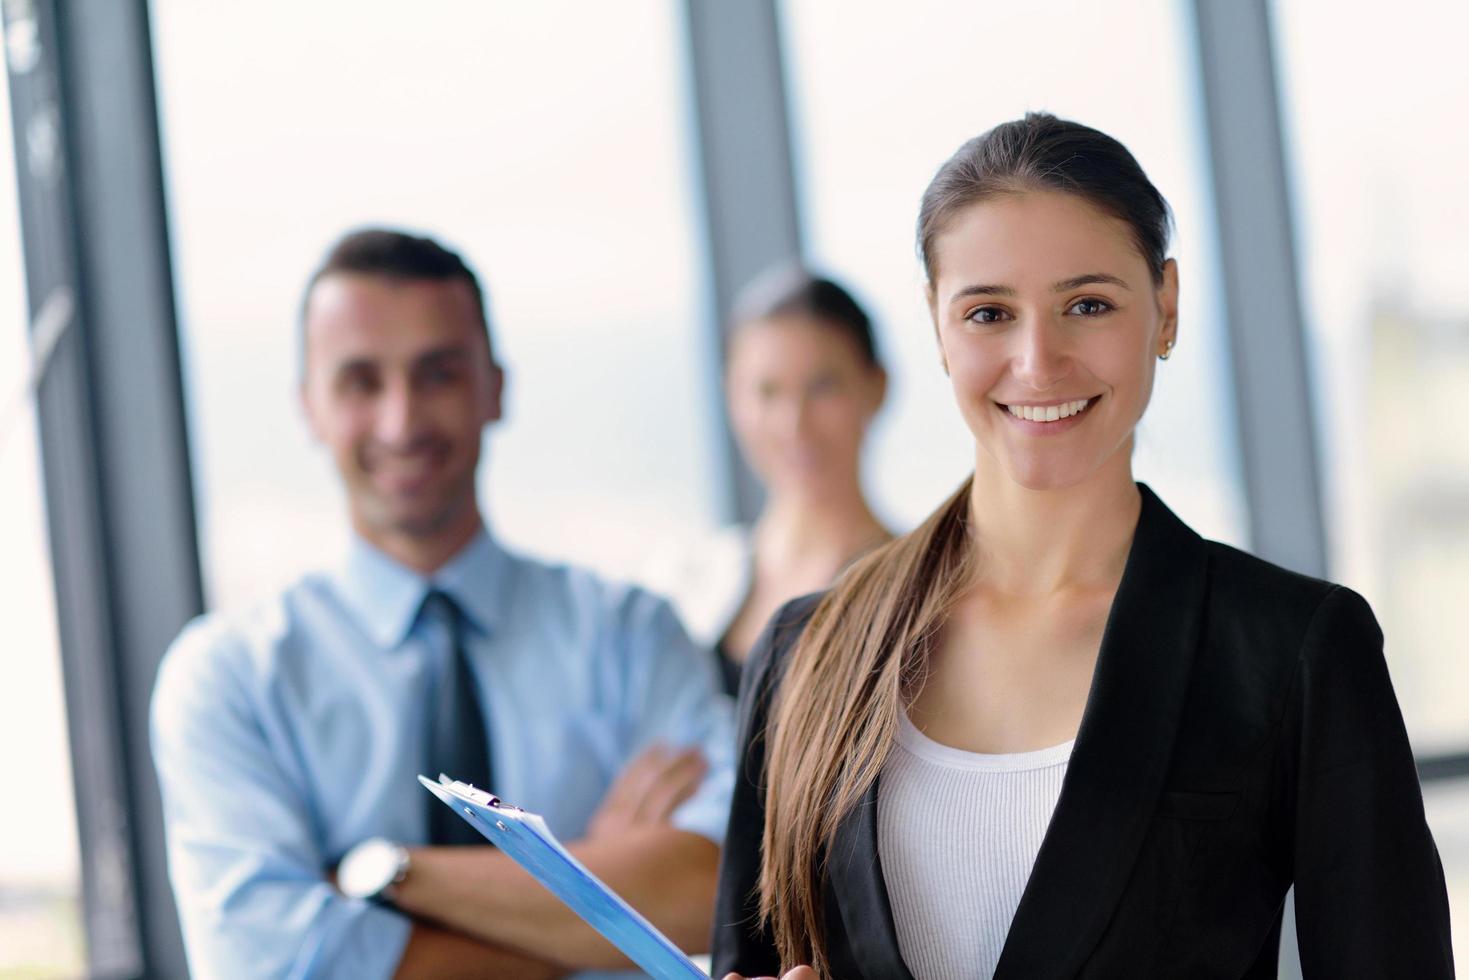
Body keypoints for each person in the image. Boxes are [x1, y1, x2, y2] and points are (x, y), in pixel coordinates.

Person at [713, 114, 1454, 980]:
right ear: (937, 325)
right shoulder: (809, 651)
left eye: (1088, 304)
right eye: (988, 312)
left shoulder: (1288, 649)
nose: (1037, 361)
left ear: (1165, 308)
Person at [151, 228, 734, 979]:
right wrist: (590, 898)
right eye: (361, 382)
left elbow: (706, 890)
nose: (402, 421)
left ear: (496, 388)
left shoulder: (631, 633)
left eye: (439, 374)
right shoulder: (228, 678)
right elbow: (277, 967)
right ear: (309, 407)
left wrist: (383, 876)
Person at [642, 267, 890, 695]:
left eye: (822, 386)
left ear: (876, 387)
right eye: (767, 392)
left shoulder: (919, 589)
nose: (794, 423)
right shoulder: (685, 581)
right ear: (730, 398)